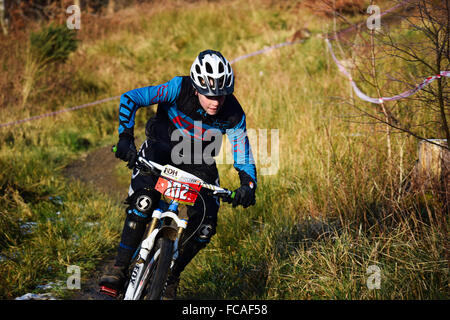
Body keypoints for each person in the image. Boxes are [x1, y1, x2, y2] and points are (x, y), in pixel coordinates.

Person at [99, 50, 257, 299]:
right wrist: (125, 138)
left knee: (205, 227)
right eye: (209, 95)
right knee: (144, 202)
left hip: (199, 164)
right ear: (195, 87)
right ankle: (119, 268)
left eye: (222, 95)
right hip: (160, 152)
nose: (216, 102)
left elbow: (243, 154)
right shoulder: (176, 88)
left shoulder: (234, 115)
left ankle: (171, 275)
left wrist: (248, 185)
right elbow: (131, 98)